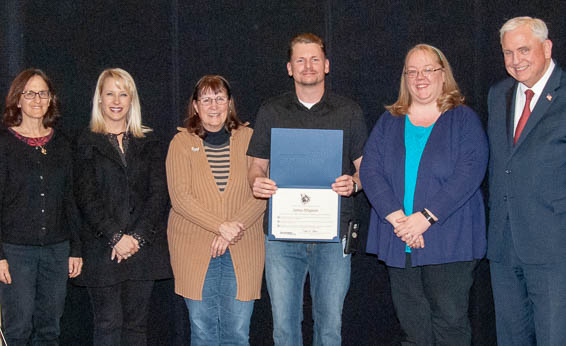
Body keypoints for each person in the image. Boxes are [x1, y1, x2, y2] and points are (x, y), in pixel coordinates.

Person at [360, 44, 488, 345]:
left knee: (450, 324)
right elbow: (371, 172)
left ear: (443, 75)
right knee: (413, 329)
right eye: (412, 71)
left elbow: (469, 173)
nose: (420, 77)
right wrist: (401, 222)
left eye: (428, 70)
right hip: (398, 238)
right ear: (404, 77)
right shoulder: (389, 120)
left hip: (449, 240)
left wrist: (425, 218)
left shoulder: (463, 119)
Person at [247, 33, 367, 346]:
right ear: (289, 68)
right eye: (300, 60)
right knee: (284, 329)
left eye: (314, 59)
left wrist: (354, 182)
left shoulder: (349, 111)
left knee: (330, 329)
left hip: (333, 233)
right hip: (283, 235)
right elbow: (255, 165)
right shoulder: (271, 111)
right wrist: (256, 181)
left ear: (326, 65)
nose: (308, 66)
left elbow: (365, 168)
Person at [73, 68, 172, 345]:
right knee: (107, 324)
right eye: (110, 94)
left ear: (132, 100)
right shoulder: (85, 141)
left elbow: (158, 194)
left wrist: (136, 238)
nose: (116, 100)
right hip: (102, 248)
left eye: (123, 94)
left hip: (143, 248)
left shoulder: (149, 140)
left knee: (136, 327)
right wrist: (116, 237)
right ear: (100, 100)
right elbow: (86, 196)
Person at [166, 75, 266, 345]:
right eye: (206, 99)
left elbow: (262, 193)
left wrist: (231, 230)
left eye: (220, 98)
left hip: (244, 246)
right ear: (196, 106)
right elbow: (180, 197)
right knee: (203, 332)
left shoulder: (251, 139)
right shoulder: (181, 143)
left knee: (237, 332)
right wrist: (220, 226)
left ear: (230, 103)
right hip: (193, 249)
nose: (214, 105)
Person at [487, 16, 566, 345]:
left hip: (552, 245)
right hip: (503, 245)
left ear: (546, 48)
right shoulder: (498, 94)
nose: (515, 60)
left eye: (523, 50)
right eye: (508, 53)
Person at [0, 69, 82, 345]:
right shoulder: (4, 145)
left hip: (57, 252)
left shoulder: (62, 144)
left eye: (43, 93)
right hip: (15, 252)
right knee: (18, 328)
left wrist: (76, 249)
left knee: (50, 329)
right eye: (30, 93)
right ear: (18, 100)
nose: (37, 99)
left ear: (51, 99)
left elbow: (71, 199)